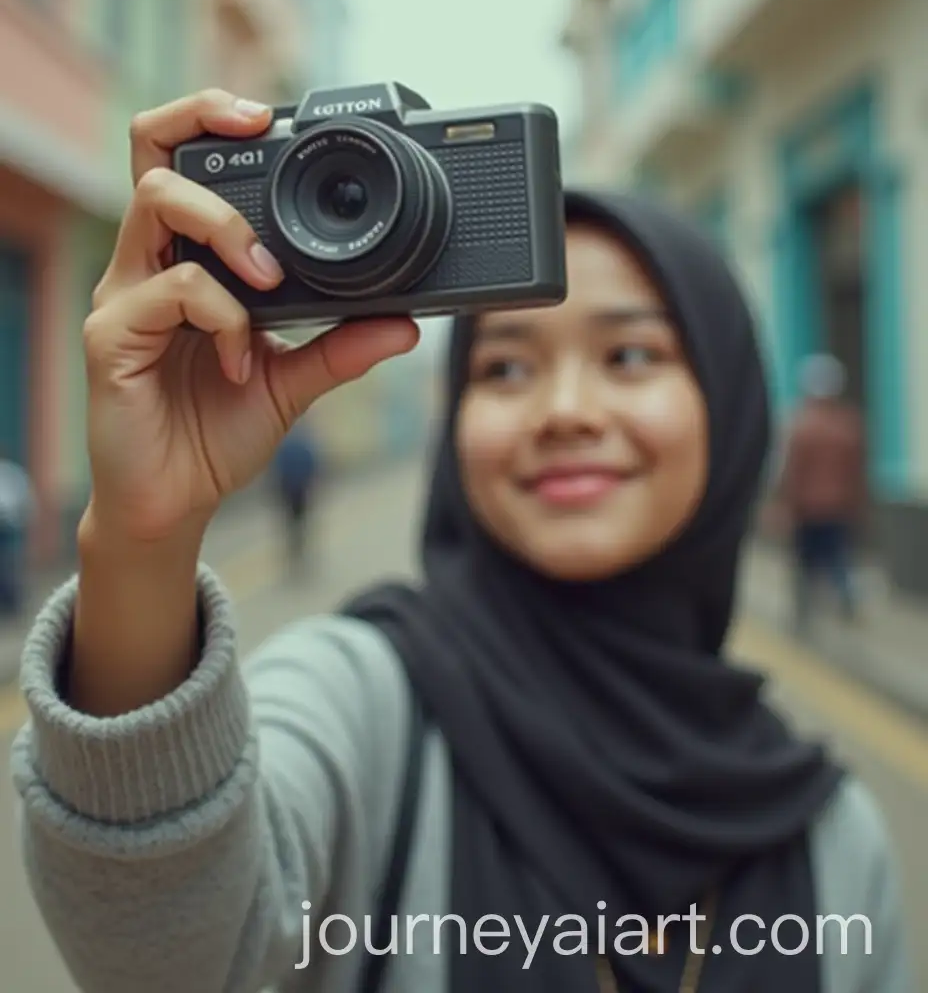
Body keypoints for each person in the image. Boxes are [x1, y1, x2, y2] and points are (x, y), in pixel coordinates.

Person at [10, 92, 911, 993]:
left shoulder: (837, 846)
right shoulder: (365, 705)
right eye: (506, 368)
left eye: (630, 357)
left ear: (730, 400)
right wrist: (141, 535)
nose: (565, 413)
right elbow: (168, 960)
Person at [777, 355, 867, 628]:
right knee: (838, 558)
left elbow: (792, 473)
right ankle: (846, 601)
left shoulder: (802, 425)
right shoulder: (849, 425)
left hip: (807, 507)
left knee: (805, 563)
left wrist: (783, 507)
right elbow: (857, 472)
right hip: (838, 505)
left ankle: (804, 612)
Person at [271, 418, 322, 575]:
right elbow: (313, 466)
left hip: (288, 489)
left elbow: (276, 470)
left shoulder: (284, 446)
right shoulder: (304, 445)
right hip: (300, 489)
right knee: (300, 522)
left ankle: (295, 551)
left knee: (292, 522)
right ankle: (299, 550)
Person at [0, 454, 34, 617]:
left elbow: (24, 500)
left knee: (10, 564)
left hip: (9, 527)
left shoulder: (12, 474)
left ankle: (13, 603)